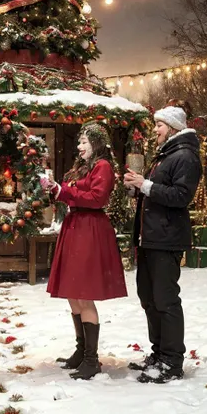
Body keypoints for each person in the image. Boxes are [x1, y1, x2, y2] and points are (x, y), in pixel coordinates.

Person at [124, 102, 202, 384]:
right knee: (149, 299)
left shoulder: (185, 156)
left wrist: (146, 185)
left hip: (166, 241)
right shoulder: (165, 155)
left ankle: (172, 361)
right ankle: (158, 354)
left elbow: (181, 197)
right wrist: (137, 190)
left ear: (172, 127)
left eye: (159, 125)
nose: (154, 129)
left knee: (166, 301)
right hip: (150, 238)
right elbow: (158, 194)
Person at [46, 123, 127, 381]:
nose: (79, 147)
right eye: (79, 142)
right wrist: (55, 190)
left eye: (84, 142)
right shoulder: (82, 166)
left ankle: (92, 360)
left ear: (96, 143)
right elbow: (74, 192)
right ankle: (82, 351)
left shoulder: (103, 167)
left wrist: (64, 191)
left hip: (89, 229)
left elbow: (96, 198)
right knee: (73, 292)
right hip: (75, 226)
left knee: (84, 293)